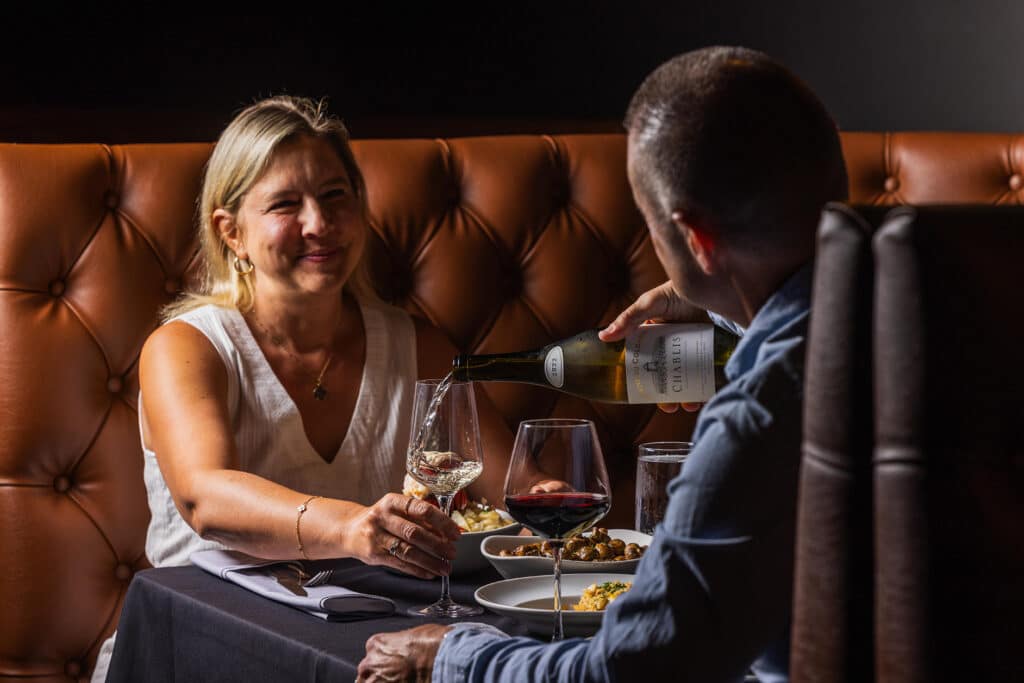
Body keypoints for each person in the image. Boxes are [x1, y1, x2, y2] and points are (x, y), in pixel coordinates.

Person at [356, 45, 848, 683]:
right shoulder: (954, 310)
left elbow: (635, 670)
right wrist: (725, 304)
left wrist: (447, 656)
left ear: (694, 239)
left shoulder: (758, 416)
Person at [92, 95, 517, 681]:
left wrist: (553, 504)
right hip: (199, 641)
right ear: (232, 231)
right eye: (286, 204)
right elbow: (205, 499)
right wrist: (351, 528)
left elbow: (513, 488)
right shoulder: (186, 347)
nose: (319, 223)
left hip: (362, 642)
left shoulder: (421, 346)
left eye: (336, 196)